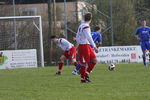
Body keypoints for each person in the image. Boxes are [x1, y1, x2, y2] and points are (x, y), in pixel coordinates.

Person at [76, 12, 98, 83]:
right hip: (84, 46)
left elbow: (77, 36)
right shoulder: (85, 26)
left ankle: (85, 75)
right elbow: (89, 37)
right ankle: (83, 79)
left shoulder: (81, 25)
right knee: (84, 63)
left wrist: (78, 44)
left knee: (94, 60)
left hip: (86, 45)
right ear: (91, 19)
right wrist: (94, 46)